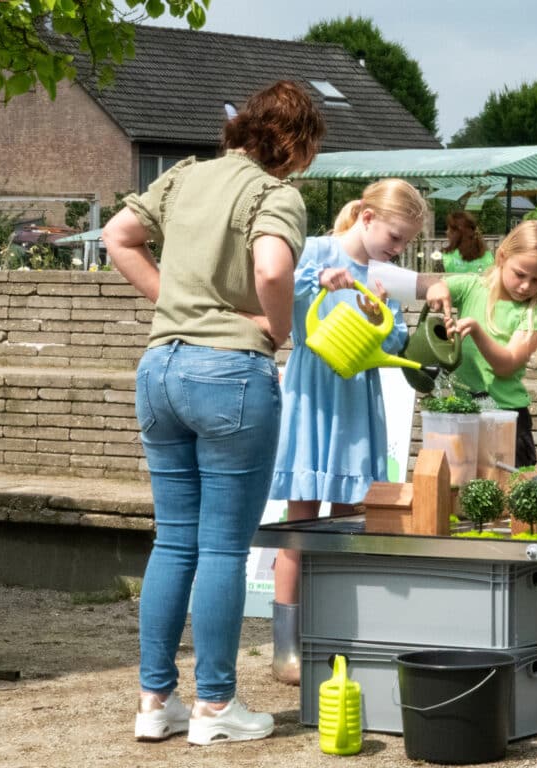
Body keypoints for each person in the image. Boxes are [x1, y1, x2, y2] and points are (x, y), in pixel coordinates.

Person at [102, 80, 325, 743]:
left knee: (174, 540)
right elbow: (274, 269)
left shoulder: (184, 176)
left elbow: (118, 235)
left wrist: (174, 301)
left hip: (159, 370)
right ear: (296, 145)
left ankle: (155, 703)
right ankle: (217, 707)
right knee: (223, 547)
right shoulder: (274, 193)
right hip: (229, 373)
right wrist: (273, 330)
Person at [268, 178, 429, 684]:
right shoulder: (316, 249)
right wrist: (320, 280)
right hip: (312, 395)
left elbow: (398, 337)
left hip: (358, 401)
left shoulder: (385, 275)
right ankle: (286, 651)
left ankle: (337, 641)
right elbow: (273, 283)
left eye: (405, 243)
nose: (398, 249)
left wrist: (378, 310)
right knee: (300, 524)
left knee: (347, 524)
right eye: (396, 237)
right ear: (366, 216)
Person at [425, 218, 537, 468]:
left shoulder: (535, 313)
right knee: (459, 489)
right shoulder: (471, 287)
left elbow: (506, 365)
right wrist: (436, 289)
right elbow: (432, 285)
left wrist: (477, 332)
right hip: (462, 413)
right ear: (501, 257)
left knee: (511, 495)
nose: (525, 286)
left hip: (506, 418)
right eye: (520, 274)